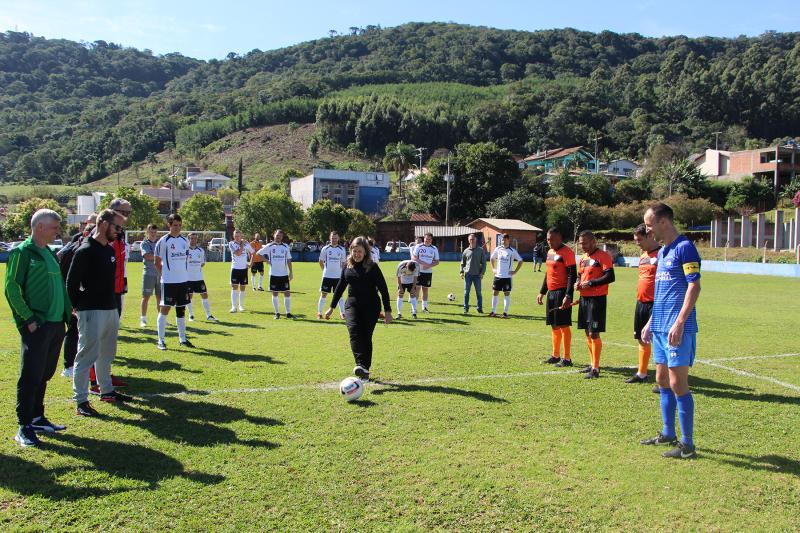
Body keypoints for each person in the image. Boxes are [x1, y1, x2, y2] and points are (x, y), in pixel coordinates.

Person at [5, 209, 72, 446]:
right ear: (40, 227)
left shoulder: (49, 253)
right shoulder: (22, 253)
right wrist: (28, 318)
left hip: (56, 324)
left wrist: (68, 311)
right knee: (31, 375)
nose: (58, 231)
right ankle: (23, 426)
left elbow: (60, 286)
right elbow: (12, 288)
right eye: (55, 227)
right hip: (37, 324)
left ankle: (37, 417)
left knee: (44, 374)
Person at [639, 203, 701, 459]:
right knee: (662, 381)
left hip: (677, 329)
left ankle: (687, 444)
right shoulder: (663, 252)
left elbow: (694, 287)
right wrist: (650, 322)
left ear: (664, 222)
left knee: (678, 384)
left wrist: (680, 322)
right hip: (661, 327)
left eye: (650, 224)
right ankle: (668, 432)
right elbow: (663, 293)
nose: (647, 229)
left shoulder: (685, 248)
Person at [67, 209, 133, 417]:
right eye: (117, 227)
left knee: (107, 354)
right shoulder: (85, 250)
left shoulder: (109, 250)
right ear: (103, 224)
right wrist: (78, 306)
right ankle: (81, 401)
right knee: (86, 355)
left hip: (110, 309)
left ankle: (107, 391)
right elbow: (71, 283)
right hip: (91, 311)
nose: (119, 232)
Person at [325, 236, 392, 381]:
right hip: (352, 305)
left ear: (365, 252)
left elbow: (383, 289)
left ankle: (365, 370)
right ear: (351, 251)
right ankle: (360, 365)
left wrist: (387, 311)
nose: (357, 254)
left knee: (366, 337)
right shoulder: (346, 265)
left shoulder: (372, 267)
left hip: (371, 306)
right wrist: (331, 307)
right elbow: (340, 287)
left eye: (360, 251)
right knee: (354, 332)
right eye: (354, 251)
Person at [575, 230, 615, 379]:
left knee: (594, 332)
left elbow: (610, 276)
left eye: (585, 243)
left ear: (593, 242)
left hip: (597, 299)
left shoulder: (603, 256)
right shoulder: (583, 258)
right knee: (587, 331)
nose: (582, 246)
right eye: (580, 244)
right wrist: (578, 282)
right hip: (584, 298)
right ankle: (592, 363)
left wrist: (591, 283)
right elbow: (580, 275)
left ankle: (596, 368)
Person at [57, 218, 94, 378]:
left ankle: (79, 365)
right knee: (73, 330)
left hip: (74, 294)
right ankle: (68, 366)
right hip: (73, 295)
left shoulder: (78, 244)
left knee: (80, 331)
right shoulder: (79, 246)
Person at [626, 224, 660, 384]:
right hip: (641, 302)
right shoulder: (643, 256)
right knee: (641, 338)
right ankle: (642, 373)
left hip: (656, 303)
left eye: (639, 240)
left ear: (650, 236)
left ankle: (664, 378)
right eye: (635, 240)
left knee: (658, 340)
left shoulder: (662, 254)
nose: (637, 243)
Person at [538, 227, 577, 366]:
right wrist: (542, 291)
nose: (550, 242)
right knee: (554, 325)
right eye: (548, 239)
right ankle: (555, 355)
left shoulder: (567, 253)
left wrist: (568, 295)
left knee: (563, 324)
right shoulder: (549, 252)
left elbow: (572, 275)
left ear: (560, 238)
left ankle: (567, 358)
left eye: (553, 239)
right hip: (551, 293)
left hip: (562, 292)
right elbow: (548, 273)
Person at [154, 214, 193, 350]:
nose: (177, 228)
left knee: (181, 309)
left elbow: (186, 260)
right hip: (169, 282)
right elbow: (157, 262)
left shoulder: (184, 241)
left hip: (183, 281)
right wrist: (165, 275)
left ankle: (182, 339)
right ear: (169, 225)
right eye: (175, 225)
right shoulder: (163, 241)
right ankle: (161, 340)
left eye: (179, 225)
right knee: (165, 309)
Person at [257, 229, 294, 319]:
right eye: (277, 235)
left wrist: (291, 272)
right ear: (274, 235)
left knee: (287, 293)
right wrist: (267, 260)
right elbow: (258, 253)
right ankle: (277, 313)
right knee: (275, 294)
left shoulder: (285, 246)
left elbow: (289, 260)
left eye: (280, 236)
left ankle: (288, 313)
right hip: (273, 274)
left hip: (284, 274)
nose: (278, 237)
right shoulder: (270, 246)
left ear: (282, 237)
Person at [489, 234, 523, 318]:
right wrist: (493, 268)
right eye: (502, 240)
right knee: (495, 292)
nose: (503, 241)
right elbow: (492, 258)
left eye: (505, 240)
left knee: (506, 294)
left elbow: (520, 260)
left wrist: (515, 271)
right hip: (498, 276)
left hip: (507, 277)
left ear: (508, 240)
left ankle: (505, 313)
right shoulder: (498, 249)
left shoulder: (512, 251)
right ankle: (493, 311)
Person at [186, 233, 217, 321]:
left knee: (204, 295)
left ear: (197, 239)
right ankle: (191, 315)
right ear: (189, 239)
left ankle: (209, 315)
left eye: (195, 238)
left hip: (199, 277)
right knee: (189, 296)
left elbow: (202, 263)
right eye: (191, 238)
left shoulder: (200, 250)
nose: (193, 240)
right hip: (188, 278)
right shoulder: (185, 250)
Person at [318, 231, 347, 320]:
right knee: (324, 294)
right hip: (327, 276)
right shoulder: (325, 249)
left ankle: (342, 313)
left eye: (335, 238)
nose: (334, 240)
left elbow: (343, 263)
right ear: (330, 238)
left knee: (340, 295)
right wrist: (325, 271)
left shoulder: (342, 249)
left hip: (338, 277)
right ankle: (319, 313)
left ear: (338, 239)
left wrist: (342, 274)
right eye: (332, 238)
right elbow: (321, 261)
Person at [139, 223, 161, 328]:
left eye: (154, 232)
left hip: (160, 274)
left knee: (160, 298)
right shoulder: (144, 243)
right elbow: (147, 256)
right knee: (146, 297)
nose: (153, 234)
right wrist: (158, 257)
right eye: (151, 232)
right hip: (149, 273)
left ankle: (161, 319)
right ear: (147, 232)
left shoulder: (160, 243)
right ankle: (143, 319)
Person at [412, 232, 439, 313]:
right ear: (424, 238)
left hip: (428, 272)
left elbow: (437, 261)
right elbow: (413, 257)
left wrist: (429, 265)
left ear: (431, 240)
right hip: (418, 271)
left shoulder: (434, 248)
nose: (427, 240)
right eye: (426, 238)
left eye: (429, 239)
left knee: (425, 290)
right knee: (417, 289)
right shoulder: (418, 246)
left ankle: (424, 308)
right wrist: (423, 263)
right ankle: (414, 308)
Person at [228, 229, 253, 312]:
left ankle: (241, 306)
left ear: (241, 236)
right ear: (233, 236)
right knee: (234, 288)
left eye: (238, 236)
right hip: (235, 268)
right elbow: (238, 253)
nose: (237, 237)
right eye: (235, 236)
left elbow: (253, 252)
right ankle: (233, 307)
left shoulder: (247, 244)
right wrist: (242, 244)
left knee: (242, 288)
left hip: (244, 269)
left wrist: (251, 263)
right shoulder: (231, 244)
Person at [460, 233, 486, 314]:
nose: (472, 241)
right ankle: (465, 308)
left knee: (478, 292)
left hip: (477, 276)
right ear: (468, 240)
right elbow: (462, 263)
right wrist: (461, 272)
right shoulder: (465, 251)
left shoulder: (481, 250)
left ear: (476, 240)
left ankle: (479, 308)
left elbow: (484, 263)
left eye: (473, 239)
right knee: (466, 292)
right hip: (468, 275)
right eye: (470, 239)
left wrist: (482, 273)